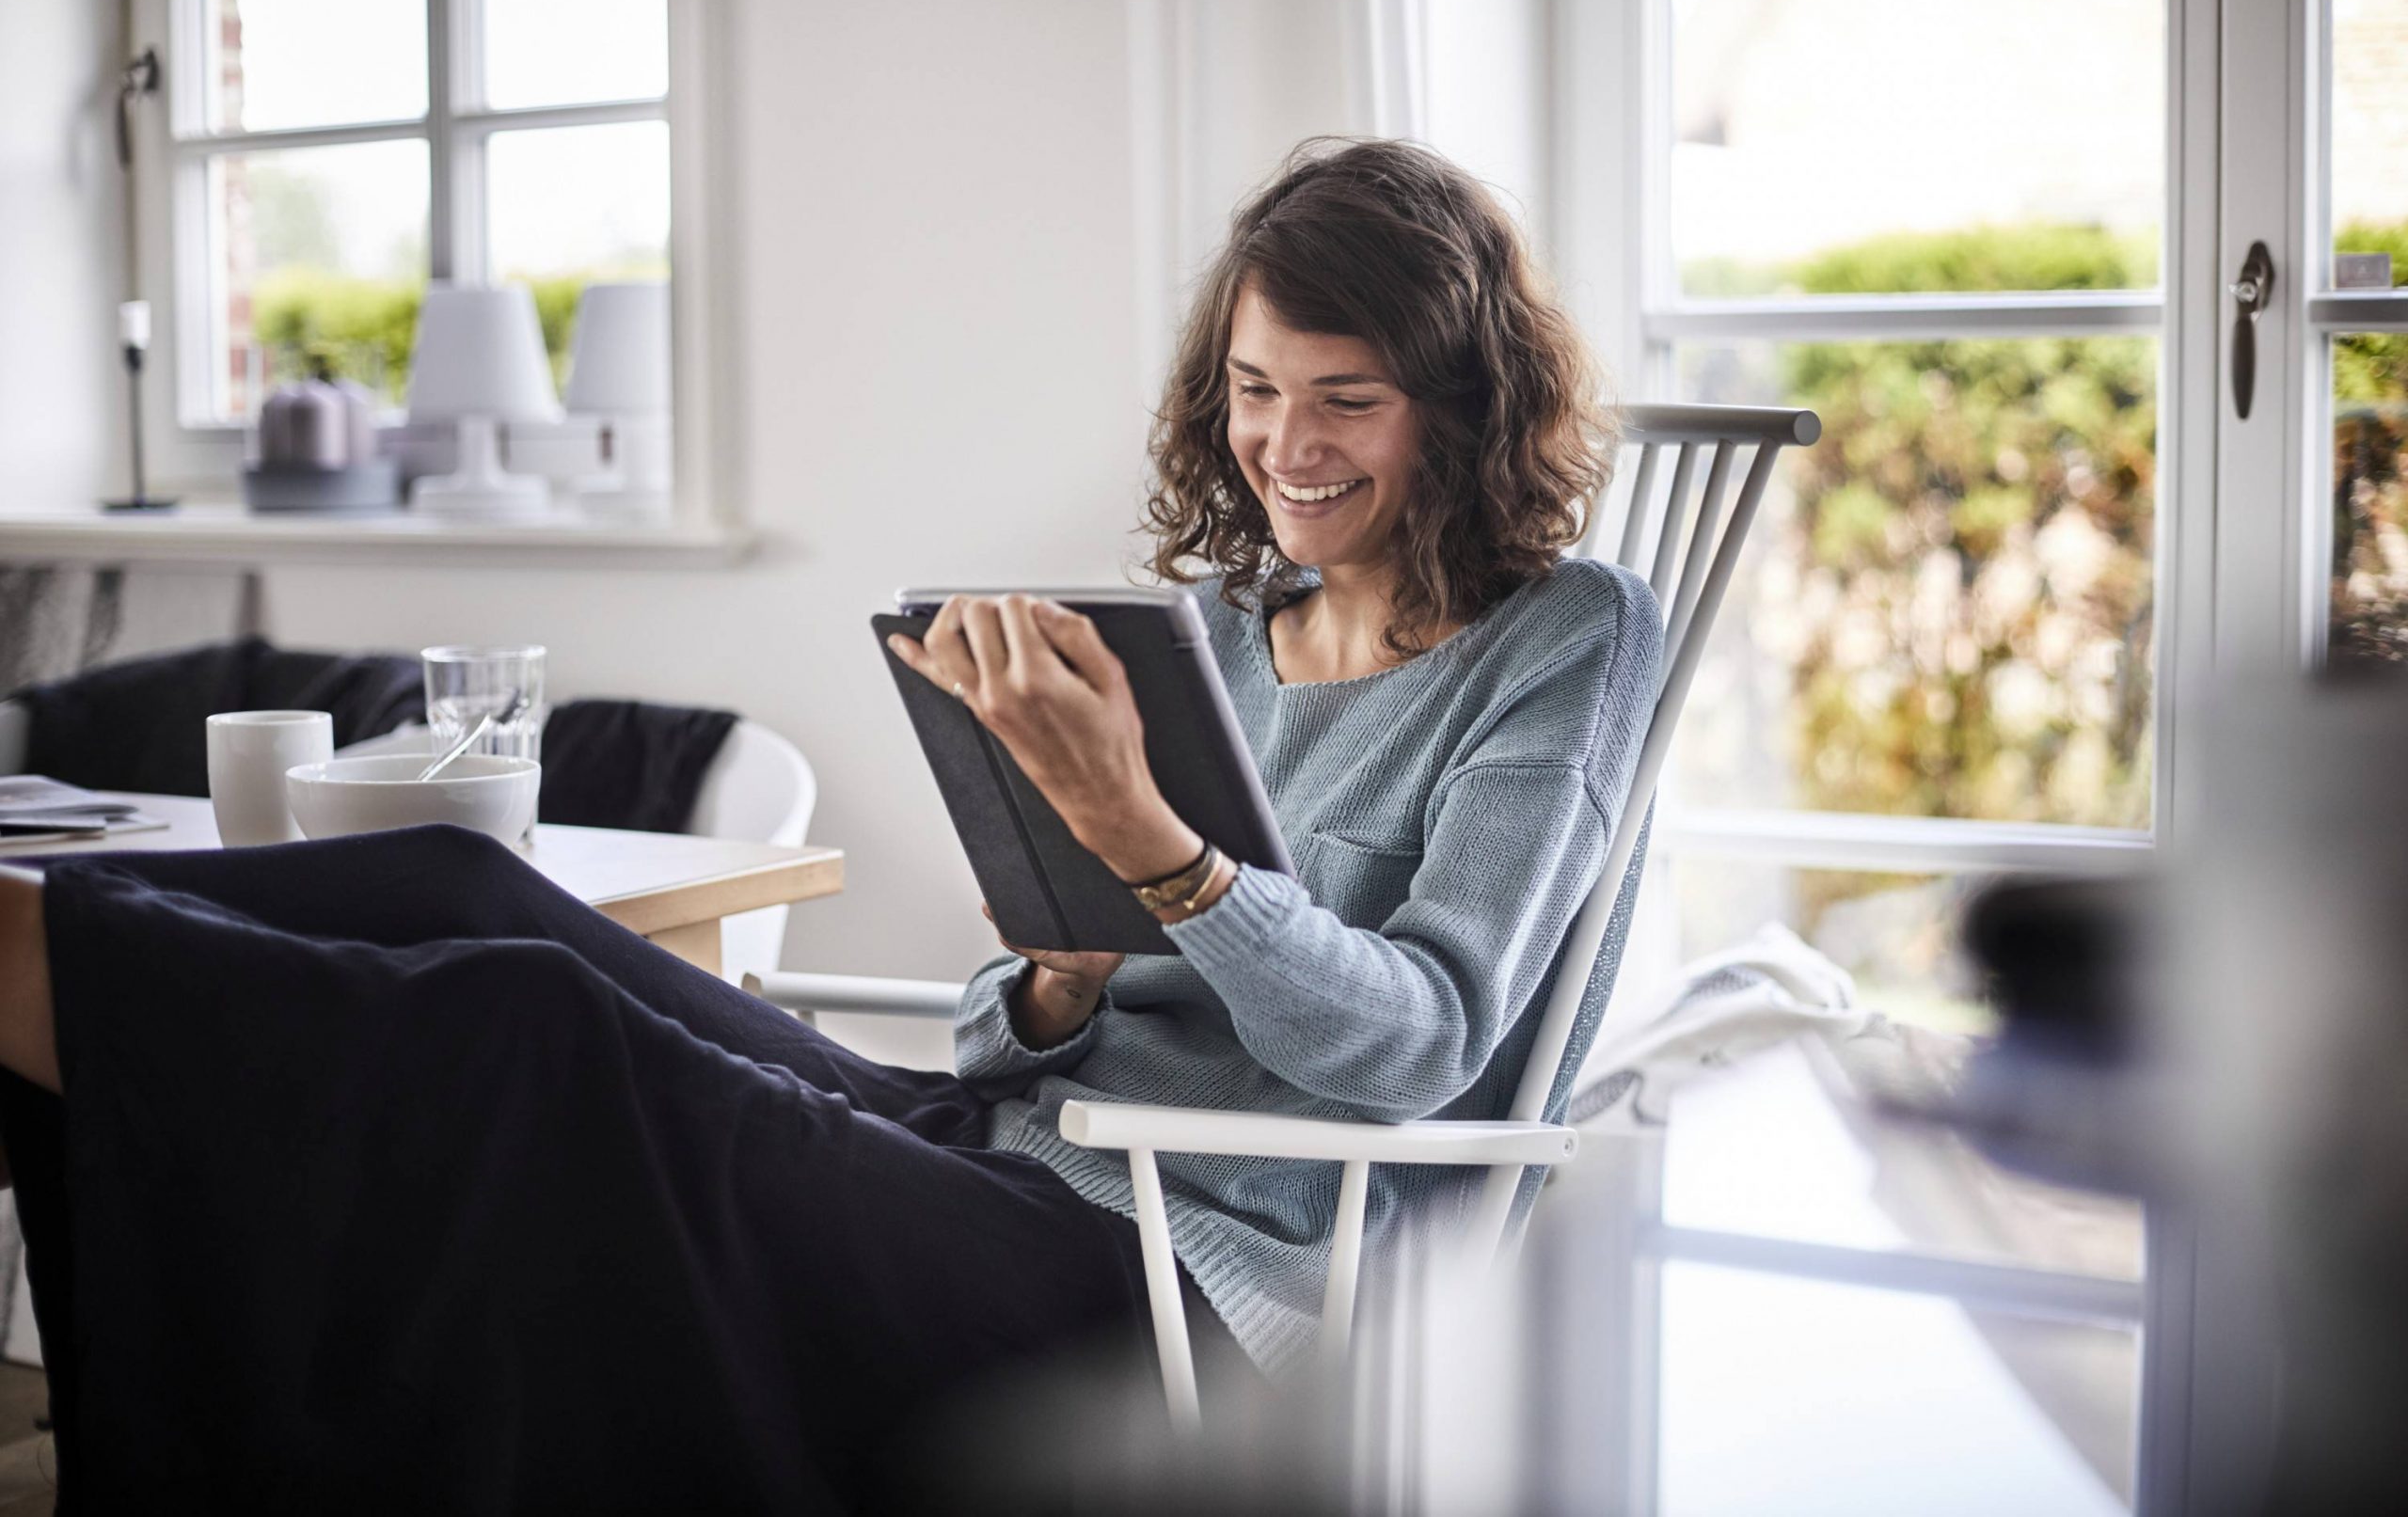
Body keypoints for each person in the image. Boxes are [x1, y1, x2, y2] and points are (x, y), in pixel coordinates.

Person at [0, 137, 1658, 1510]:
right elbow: (1007, 1045)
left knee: (535, 1028)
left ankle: (47, 981)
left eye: (1345, 399)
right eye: (1252, 388)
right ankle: (57, 941)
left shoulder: (1567, 636)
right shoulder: (1223, 629)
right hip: (1013, 1157)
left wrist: (1164, 851)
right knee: (464, 883)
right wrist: (1054, 980)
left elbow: (1425, 1043)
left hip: (1193, 1273)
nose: (1285, 447)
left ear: (1457, 401)